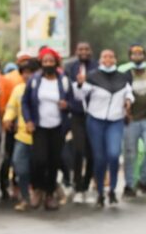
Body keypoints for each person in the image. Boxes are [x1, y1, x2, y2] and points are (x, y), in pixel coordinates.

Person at [76, 49, 134, 207]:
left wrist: (128, 100)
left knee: (114, 154)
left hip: (115, 120)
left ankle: (113, 190)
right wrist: (80, 84)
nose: (108, 59)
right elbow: (80, 95)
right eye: (104, 56)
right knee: (99, 157)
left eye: (111, 56)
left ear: (115, 59)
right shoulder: (92, 76)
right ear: (100, 59)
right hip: (96, 120)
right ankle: (100, 191)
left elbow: (129, 93)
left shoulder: (123, 77)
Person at [21, 47, 74, 211]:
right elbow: (25, 102)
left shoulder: (64, 80)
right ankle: (37, 189)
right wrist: (28, 120)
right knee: (39, 160)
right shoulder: (35, 80)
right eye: (45, 61)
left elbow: (73, 102)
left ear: (56, 63)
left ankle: (50, 195)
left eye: (51, 61)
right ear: (41, 63)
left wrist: (67, 105)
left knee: (53, 161)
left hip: (58, 127)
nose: (48, 64)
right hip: (39, 127)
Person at [2, 59, 39, 211]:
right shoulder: (18, 89)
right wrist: (7, 119)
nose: (27, 76)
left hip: (40, 135)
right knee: (19, 166)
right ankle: (25, 197)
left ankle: (45, 193)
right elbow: (11, 107)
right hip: (22, 135)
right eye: (24, 73)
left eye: (30, 72)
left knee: (40, 166)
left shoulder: (42, 87)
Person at [64, 42, 97, 204]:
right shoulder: (70, 68)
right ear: (76, 51)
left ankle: (85, 184)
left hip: (94, 114)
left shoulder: (97, 67)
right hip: (76, 114)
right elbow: (65, 89)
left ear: (90, 51)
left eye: (86, 49)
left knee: (92, 152)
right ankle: (76, 184)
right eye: (80, 49)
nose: (83, 52)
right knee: (78, 149)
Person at [119, 43, 146, 199]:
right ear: (130, 57)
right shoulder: (125, 74)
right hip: (131, 119)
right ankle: (129, 184)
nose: (137, 56)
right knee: (130, 153)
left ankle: (143, 180)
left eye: (140, 53)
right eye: (134, 54)